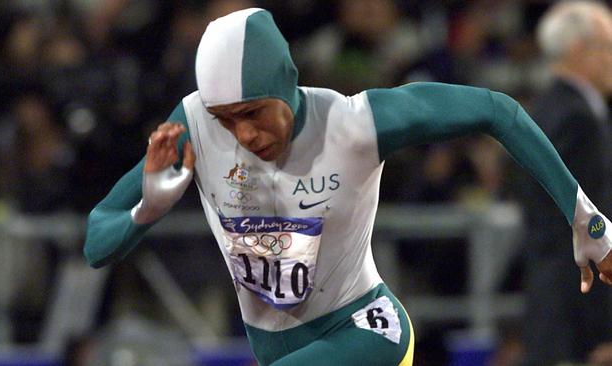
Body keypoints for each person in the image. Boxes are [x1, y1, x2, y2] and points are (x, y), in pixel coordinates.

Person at [84, 8, 612, 366]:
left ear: (286, 81)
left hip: (365, 332)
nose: (243, 135)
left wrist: (584, 217)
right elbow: (96, 241)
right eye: (227, 120)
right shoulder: (195, 123)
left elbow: (498, 110)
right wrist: (144, 215)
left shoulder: (357, 123)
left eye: (252, 113)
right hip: (276, 348)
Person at [518, 1, 612, 365]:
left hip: (551, 307)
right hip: (577, 318)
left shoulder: (542, 111)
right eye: (607, 47)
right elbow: (587, 228)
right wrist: (604, 331)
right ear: (579, 51)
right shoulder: (579, 120)